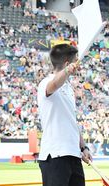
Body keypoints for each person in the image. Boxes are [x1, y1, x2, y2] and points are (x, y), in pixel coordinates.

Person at [37, 44, 92, 186]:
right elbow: (53, 86)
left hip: (74, 154)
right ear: (68, 64)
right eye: (75, 62)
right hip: (55, 155)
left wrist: (83, 147)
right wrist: (67, 70)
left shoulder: (69, 88)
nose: (77, 66)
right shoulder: (45, 83)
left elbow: (71, 121)